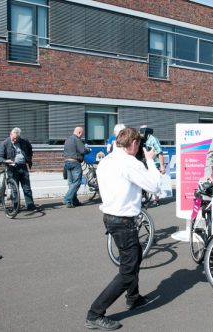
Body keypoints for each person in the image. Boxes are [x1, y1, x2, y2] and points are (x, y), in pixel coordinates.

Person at [85, 127, 161, 331]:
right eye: (139, 146)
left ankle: (133, 297)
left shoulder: (107, 160)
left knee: (135, 255)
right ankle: (94, 314)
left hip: (110, 217)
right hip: (123, 220)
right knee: (127, 272)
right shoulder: (129, 162)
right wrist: (151, 160)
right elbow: (154, 186)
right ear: (134, 144)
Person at [0, 127, 36, 211]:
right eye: (13, 138)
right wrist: (5, 160)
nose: (14, 140)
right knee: (15, 189)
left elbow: (30, 150)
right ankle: (16, 207)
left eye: (16, 139)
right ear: (10, 135)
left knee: (27, 188)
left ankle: (30, 206)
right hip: (12, 168)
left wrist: (28, 159)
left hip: (23, 167)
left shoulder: (24, 141)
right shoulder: (4, 143)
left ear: (19, 137)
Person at [63, 127, 91, 208]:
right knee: (77, 183)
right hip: (75, 162)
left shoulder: (67, 139)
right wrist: (88, 150)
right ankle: (67, 199)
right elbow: (82, 150)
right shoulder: (77, 139)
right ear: (79, 132)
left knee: (71, 183)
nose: (82, 136)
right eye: (82, 134)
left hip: (67, 162)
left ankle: (74, 201)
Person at [141, 125, 165, 206]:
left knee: (155, 180)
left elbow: (160, 152)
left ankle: (156, 200)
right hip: (147, 162)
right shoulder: (143, 140)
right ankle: (146, 198)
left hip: (155, 163)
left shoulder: (153, 140)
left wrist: (162, 166)